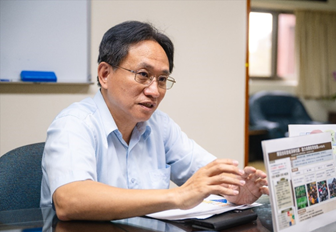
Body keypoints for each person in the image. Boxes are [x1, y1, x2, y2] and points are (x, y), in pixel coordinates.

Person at [40, 20, 268, 221]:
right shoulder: (74, 123)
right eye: (143, 75)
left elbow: (208, 176)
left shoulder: (160, 126)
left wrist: (234, 190)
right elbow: (69, 201)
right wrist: (177, 196)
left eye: (161, 79)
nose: (154, 91)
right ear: (105, 75)